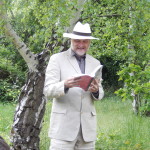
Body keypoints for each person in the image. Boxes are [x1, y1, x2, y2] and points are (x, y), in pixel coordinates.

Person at [44, 22, 104, 150]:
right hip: (63, 130)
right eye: (77, 41)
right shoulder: (56, 59)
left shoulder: (95, 63)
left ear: (89, 42)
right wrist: (64, 85)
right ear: (71, 40)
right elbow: (48, 90)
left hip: (87, 131)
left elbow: (101, 92)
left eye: (85, 41)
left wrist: (97, 90)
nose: (81, 45)